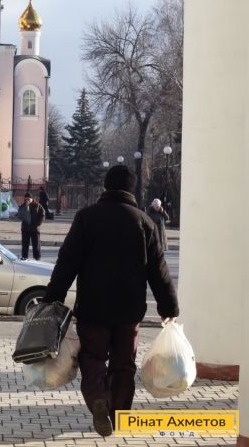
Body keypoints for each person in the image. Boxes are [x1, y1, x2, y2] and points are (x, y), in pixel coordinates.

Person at [43, 165, 179, 437]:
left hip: (93, 308)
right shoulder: (145, 222)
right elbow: (159, 271)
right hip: (130, 310)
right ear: (131, 189)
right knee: (124, 364)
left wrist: (53, 297)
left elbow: (68, 261)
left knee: (92, 356)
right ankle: (118, 414)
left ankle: (98, 399)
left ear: (106, 186)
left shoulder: (87, 218)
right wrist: (169, 307)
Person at [17, 192, 45, 260]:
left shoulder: (37, 205)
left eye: (28, 199)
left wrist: (38, 223)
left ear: (32, 199)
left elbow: (43, 214)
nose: (27, 200)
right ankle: (24, 257)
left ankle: (37, 257)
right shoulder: (23, 206)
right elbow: (19, 215)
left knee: (36, 244)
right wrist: (25, 207)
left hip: (34, 229)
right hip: (25, 228)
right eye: (25, 199)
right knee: (25, 244)